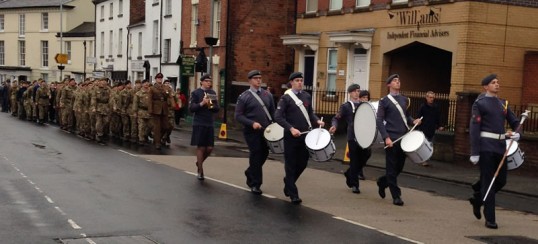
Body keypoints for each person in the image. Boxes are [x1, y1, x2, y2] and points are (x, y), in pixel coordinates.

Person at [468, 74, 520, 229]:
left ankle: (478, 199)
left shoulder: (503, 104)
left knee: (501, 180)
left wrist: (518, 133)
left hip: (500, 147)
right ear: (486, 86)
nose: (497, 84)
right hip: (486, 147)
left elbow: (515, 121)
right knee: (489, 183)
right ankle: (490, 218)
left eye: (498, 82)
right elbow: (474, 128)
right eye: (493, 82)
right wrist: (474, 151)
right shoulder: (480, 104)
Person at [274, 72, 324, 204]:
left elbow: (310, 113)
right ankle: (293, 194)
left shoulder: (306, 96)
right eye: (297, 80)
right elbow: (278, 117)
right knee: (290, 165)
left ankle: (288, 183)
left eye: (301, 80)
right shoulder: (286, 98)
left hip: (305, 135)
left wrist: (317, 121)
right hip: (291, 136)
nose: (300, 83)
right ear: (291, 82)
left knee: (303, 163)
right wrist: (291, 128)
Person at [376, 74, 421, 206]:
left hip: (404, 137)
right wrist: (386, 138)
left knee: (399, 167)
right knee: (391, 168)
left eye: (398, 81)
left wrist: (414, 121)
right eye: (395, 81)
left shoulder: (404, 99)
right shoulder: (384, 101)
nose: (398, 82)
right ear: (389, 85)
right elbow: (379, 120)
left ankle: (383, 182)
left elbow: (406, 116)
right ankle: (396, 196)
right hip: (391, 139)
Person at [235, 70, 275, 195]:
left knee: (264, 153)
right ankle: (256, 184)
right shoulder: (244, 97)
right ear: (250, 80)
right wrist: (252, 123)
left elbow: (273, 113)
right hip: (251, 131)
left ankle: (250, 171)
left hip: (266, 130)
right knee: (256, 154)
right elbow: (238, 116)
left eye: (260, 78)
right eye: (255, 78)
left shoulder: (267, 95)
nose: (258, 80)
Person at [329, 84, 371, 194]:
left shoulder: (365, 105)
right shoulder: (346, 106)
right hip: (352, 137)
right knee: (354, 160)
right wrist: (334, 125)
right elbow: (336, 117)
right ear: (350, 93)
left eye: (358, 91)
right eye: (355, 91)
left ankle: (349, 173)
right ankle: (355, 185)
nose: (358, 93)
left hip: (364, 136)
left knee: (366, 155)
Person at [189, 74, 220, 180]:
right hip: (199, 122)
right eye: (206, 81)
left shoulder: (212, 93)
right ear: (201, 82)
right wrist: (202, 103)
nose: (208, 83)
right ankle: (200, 171)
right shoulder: (196, 93)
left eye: (210, 81)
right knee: (201, 147)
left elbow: (216, 108)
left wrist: (210, 104)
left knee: (210, 148)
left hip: (209, 122)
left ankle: (199, 162)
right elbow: (192, 108)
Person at [416, 91, 444, 166]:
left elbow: (438, 117)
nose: (432, 99)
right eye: (430, 97)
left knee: (430, 145)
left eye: (433, 97)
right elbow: (419, 117)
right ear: (427, 98)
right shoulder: (423, 107)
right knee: (423, 145)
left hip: (432, 129)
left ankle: (426, 159)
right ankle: (423, 160)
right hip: (423, 129)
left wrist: (439, 125)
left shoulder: (436, 107)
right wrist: (418, 126)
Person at [148, 73, 172, 150]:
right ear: (156, 79)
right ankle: (157, 143)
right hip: (156, 108)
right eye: (158, 78)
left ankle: (157, 138)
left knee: (166, 126)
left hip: (164, 108)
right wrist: (150, 109)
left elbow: (167, 96)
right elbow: (150, 99)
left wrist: (167, 91)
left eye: (161, 78)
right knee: (157, 127)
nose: (160, 80)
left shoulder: (165, 87)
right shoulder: (152, 88)